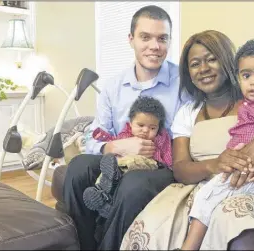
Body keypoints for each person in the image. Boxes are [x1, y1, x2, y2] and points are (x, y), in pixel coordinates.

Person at [120, 30, 254, 250]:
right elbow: (180, 170)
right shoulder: (188, 112)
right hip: (208, 184)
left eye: (212, 59)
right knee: (154, 225)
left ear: (228, 62)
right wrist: (215, 164)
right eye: (195, 64)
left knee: (234, 221)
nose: (203, 69)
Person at [62, 5, 184, 250]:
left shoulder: (183, 84)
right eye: (145, 37)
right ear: (131, 40)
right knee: (77, 167)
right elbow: (91, 137)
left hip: (161, 163)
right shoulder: (113, 87)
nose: (155, 46)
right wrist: (116, 145)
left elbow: (187, 137)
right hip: (118, 160)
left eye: (162, 38)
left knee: (133, 184)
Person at [180, 38, 254, 250]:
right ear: (239, 76)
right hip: (233, 171)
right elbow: (180, 167)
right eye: (247, 75)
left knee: (210, 200)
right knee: (206, 198)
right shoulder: (250, 102)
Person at [83, 95, 172, 219]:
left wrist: (166, 165)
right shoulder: (125, 134)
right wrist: (107, 141)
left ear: (158, 127)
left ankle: (114, 176)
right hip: (122, 167)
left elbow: (167, 155)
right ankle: (102, 195)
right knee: (108, 169)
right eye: (140, 125)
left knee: (132, 160)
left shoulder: (161, 138)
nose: (146, 130)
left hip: (149, 166)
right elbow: (116, 145)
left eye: (152, 128)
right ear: (130, 123)